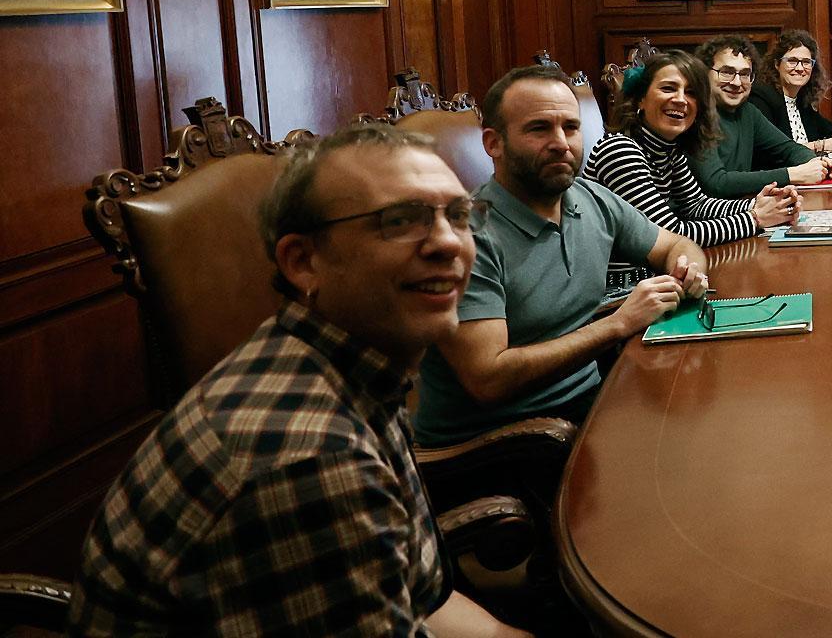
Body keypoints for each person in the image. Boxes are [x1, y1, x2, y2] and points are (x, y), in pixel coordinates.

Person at [69, 123, 529, 636]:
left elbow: (418, 596)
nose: (448, 242)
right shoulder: (310, 462)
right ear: (303, 261)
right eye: (400, 220)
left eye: (460, 216)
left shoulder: (355, 359)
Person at [415, 64, 708, 447]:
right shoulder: (467, 235)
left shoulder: (589, 198)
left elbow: (675, 244)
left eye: (570, 127)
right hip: (501, 442)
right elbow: (489, 378)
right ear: (493, 143)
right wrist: (619, 324)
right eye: (539, 129)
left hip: (587, 406)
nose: (561, 142)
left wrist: (687, 271)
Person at [583, 50, 799, 245]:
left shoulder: (670, 149)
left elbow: (696, 205)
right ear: (641, 99)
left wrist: (764, 204)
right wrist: (755, 218)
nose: (681, 100)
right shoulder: (619, 151)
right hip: (621, 286)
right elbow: (670, 235)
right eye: (669, 88)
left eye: (691, 93)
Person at [693, 34, 832, 197]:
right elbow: (717, 183)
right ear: (705, 73)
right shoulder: (694, 114)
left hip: (744, 209)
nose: (737, 82)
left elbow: (788, 148)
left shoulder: (748, 111)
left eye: (745, 74)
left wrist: (815, 163)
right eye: (727, 72)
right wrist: (793, 174)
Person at [749, 28, 832, 153]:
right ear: (777, 64)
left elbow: (825, 127)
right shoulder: (761, 98)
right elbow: (776, 151)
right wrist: (822, 145)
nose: (800, 68)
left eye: (806, 62)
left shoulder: (800, 100)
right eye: (792, 61)